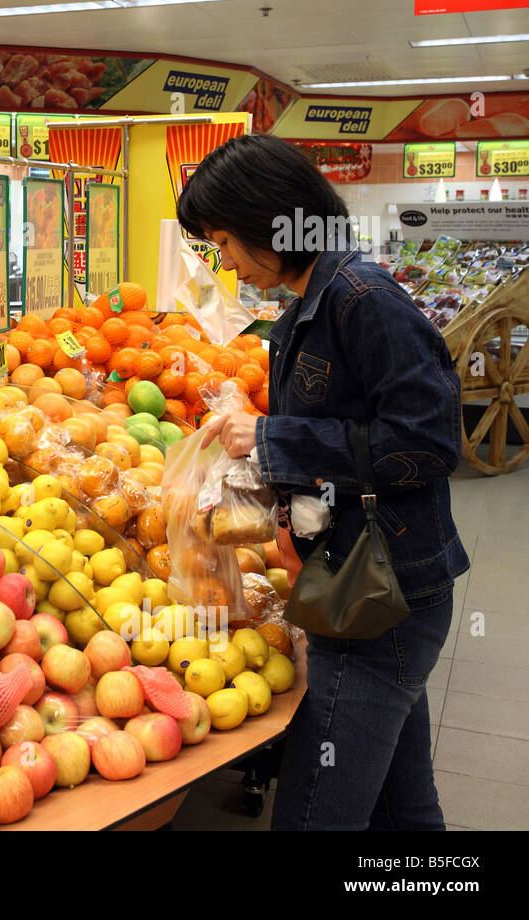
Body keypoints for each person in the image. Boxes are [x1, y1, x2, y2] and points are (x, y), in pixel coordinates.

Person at [176, 134, 468, 831]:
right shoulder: (308, 304)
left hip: (379, 592)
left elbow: (429, 442)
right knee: (403, 805)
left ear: (269, 224)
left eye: (225, 241)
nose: (225, 261)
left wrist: (275, 439)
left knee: (314, 813)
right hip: (361, 583)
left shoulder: (362, 301)